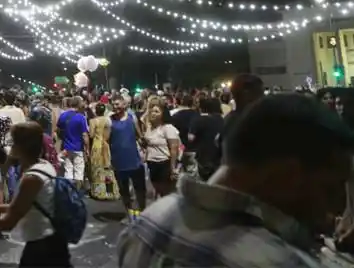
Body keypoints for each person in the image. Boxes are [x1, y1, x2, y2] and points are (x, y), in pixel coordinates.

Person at [119, 93, 354, 266]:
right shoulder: (276, 260)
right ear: (288, 174)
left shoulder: (149, 221)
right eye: (330, 189)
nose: (335, 209)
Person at [0, 122, 71, 267]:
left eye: (14, 142)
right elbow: (26, 205)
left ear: (20, 147)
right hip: (48, 242)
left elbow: (7, 223)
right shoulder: (43, 165)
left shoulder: (32, 178)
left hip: (42, 248)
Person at [109, 94, 146, 223]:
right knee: (124, 191)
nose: (115, 107)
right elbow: (106, 141)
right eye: (113, 104)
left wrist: (145, 148)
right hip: (118, 160)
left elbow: (140, 136)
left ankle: (143, 213)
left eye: (118, 104)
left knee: (139, 189)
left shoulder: (132, 118)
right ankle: (129, 215)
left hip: (134, 159)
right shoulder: (110, 120)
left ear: (124, 105)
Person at [142, 103, 180, 198]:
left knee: (166, 192)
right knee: (157, 189)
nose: (153, 114)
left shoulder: (168, 128)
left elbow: (174, 149)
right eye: (152, 111)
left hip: (164, 163)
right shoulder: (150, 128)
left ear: (163, 114)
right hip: (152, 163)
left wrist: (173, 168)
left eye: (156, 111)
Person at [56, 97, 89, 189]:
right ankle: (77, 192)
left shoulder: (63, 116)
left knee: (68, 170)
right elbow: (84, 135)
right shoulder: (81, 117)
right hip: (78, 148)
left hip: (66, 147)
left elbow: (58, 130)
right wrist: (87, 148)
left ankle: (69, 191)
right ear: (78, 105)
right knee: (79, 171)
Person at [188, 97, 224, 181]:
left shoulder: (199, 120)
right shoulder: (222, 119)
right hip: (218, 158)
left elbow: (191, 138)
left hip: (203, 157)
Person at [88, 103, 116, 200]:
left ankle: (99, 192)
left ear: (96, 111)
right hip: (105, 145)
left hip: (97, 146)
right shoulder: (108, 120)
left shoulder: (93, 121)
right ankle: (110, 192)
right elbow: (109, 134)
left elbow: (91, 135)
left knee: (97, 169)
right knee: (107, 168)